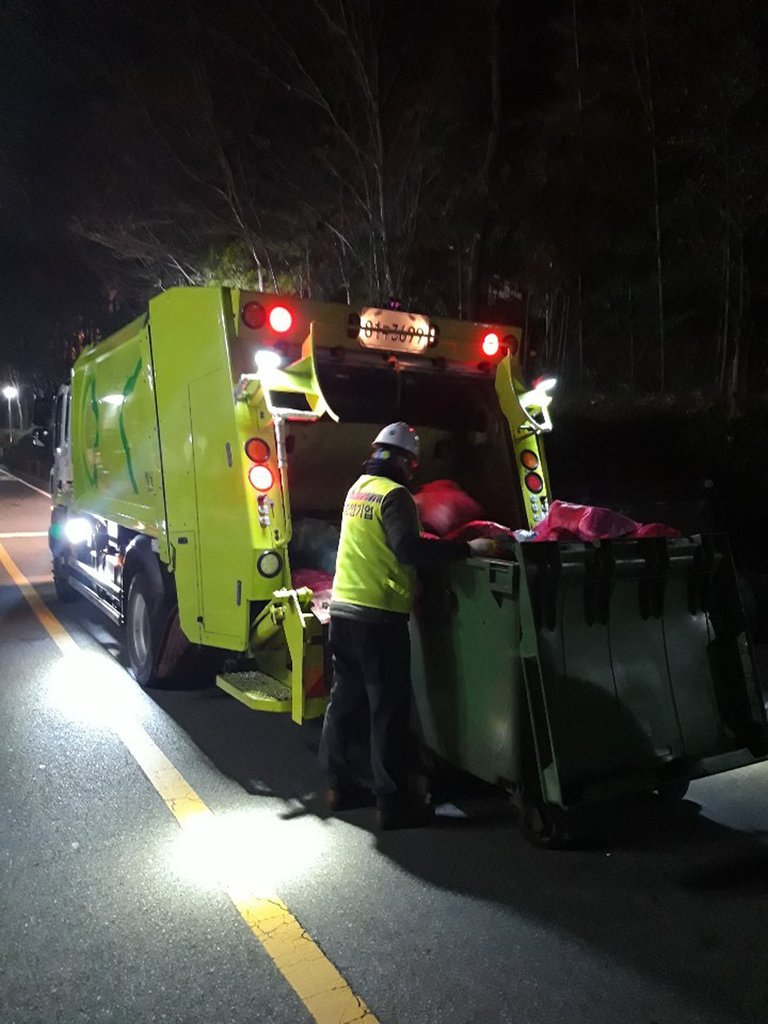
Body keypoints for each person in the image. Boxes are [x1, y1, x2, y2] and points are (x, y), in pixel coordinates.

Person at [320, 422, 495, 830]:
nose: (411, 472)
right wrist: (465, 548)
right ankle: (394, 803)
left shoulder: (358, 489)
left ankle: (338, 786)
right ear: (403, 461)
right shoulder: (395, 495)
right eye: (411, 464)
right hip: (378, 617)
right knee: (388, 712)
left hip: (343, 611)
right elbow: (407, 549)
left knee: (344, 703)